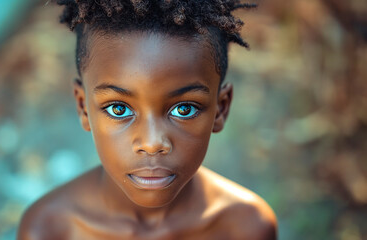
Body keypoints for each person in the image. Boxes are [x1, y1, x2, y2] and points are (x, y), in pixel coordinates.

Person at [17, 0, 277, 239]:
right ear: (84, 108)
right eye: (119, 109)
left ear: (220, 109)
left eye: (184, 109)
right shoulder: (49, 229)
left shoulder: (246, 226)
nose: (152, 143)